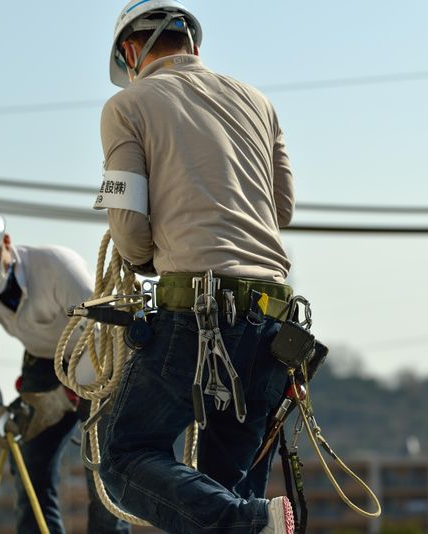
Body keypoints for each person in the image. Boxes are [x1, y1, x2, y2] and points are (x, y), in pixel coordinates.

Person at [94, 1, 297, 532]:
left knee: (124, 455)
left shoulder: (128, 105)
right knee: (222, 487)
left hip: (200, 316)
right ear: (194, 45)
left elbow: (131, 231)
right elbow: (284, 210)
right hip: (275, 322)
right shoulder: (259, 103)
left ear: (132, 51)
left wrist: (142, 257)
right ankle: (253, 521)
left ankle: (249, 523)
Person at [0, 199, 130, 534]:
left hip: (96, 359)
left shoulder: (56, 267)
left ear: (6, 243)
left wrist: (68, 393)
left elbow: (101, 335)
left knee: (102, 477)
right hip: (43, 362)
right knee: (29, 466)